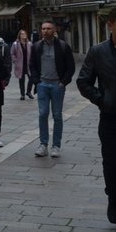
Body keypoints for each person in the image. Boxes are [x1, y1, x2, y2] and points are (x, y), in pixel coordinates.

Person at [76, 7, 116, 224]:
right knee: (112, 164)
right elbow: (83, 81)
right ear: (110, 25)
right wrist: (102, 100)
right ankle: (114, 198)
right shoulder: (98, 52)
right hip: (111, 120)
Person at [29, 17, 75, 158]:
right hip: (43, 85)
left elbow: (70, 67)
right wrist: (37, 82)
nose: (45, 31)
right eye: (43, 28)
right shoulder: (36, 46)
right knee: (43, 114)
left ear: (54, 30)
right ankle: (43, 145)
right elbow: (32, 66)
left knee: (57, 116)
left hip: (57, 85)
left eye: (48, 28)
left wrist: (63, 83)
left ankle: (56, 146)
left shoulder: (63, 46)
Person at [10, 29, 35, 100]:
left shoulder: (29, 43)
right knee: (21, 80)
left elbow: (33, 53)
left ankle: (28, 91)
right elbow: (12, 54)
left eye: (25, 34)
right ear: (19, 36)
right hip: (20, 64)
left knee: (32, 78)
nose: (23, 35)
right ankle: (22, 94)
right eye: (22, 34)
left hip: (28, 65)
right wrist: (15, 61)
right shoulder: (15, 44)